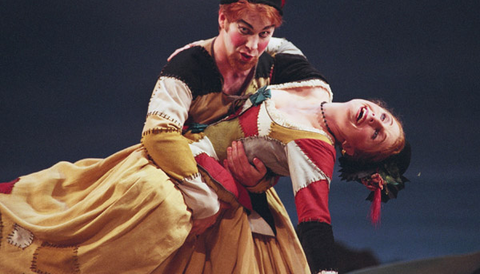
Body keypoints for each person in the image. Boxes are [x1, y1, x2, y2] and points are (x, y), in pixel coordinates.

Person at [0, 79, 410, 274]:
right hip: (175, 148)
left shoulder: (316, 148)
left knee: (153, 222)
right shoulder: (315, 85)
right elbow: (258, 47)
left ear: (355, 150)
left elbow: (315, 216)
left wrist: (325, 271)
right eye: (383, 117)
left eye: (378, 135)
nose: (375, 121)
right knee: (73, 195)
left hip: (207, 187)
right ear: (374, 102)